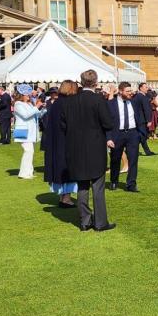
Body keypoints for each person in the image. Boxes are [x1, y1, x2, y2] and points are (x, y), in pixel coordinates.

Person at [61, 70, 116, 231]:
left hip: (76, 148)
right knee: (97, 186)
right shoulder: (97, 100)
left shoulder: (70, 101)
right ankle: (100, 222)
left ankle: (85, 221)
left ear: (81, 81)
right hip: (95, 147)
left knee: (82, 186)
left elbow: (63, 125)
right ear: (96, 82)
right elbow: (107, 123)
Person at [42, 82, 78, 208]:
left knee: (59, 167)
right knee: (67, 168)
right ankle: (66, 198)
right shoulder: (68, 103)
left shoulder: (56, 103)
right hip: (66, 140)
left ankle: (63, 196)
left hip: (55, 141)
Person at [106, 82, 142, 192]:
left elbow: (140, 117)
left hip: (132, 134)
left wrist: (140, 134)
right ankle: (114, 181)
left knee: (133, 159)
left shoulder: (134, 103)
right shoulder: (111, 103)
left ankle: (131, 183)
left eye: (131, 91)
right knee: (115, 159)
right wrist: (108, 138)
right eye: (128, 91)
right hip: (117, 134)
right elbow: (106, 122)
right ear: (121, 92)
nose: (130, 93)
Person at [13, 84, 46, 179]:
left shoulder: (29, 103)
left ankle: (29, 172)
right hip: (24, 131)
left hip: (31, 131)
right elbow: (26, 115)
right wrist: (36, 107)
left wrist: (43, 109)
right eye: (27, 94)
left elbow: (37, 115)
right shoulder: (18, 104)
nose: (29, 96)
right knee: (28, 151)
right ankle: (23, 173)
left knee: (30, 151)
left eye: (29, 94)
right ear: (22, 95)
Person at [133, 83, 157, 155]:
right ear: (140, 88)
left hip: (138, 119)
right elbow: (146, 109)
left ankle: (146, 151)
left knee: (142, 136)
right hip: (142, 120)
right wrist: (149, 120)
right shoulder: (142, 97)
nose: (147, 88)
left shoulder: (137, 96)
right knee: (142, 136)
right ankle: (132, 150)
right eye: (145, 87)